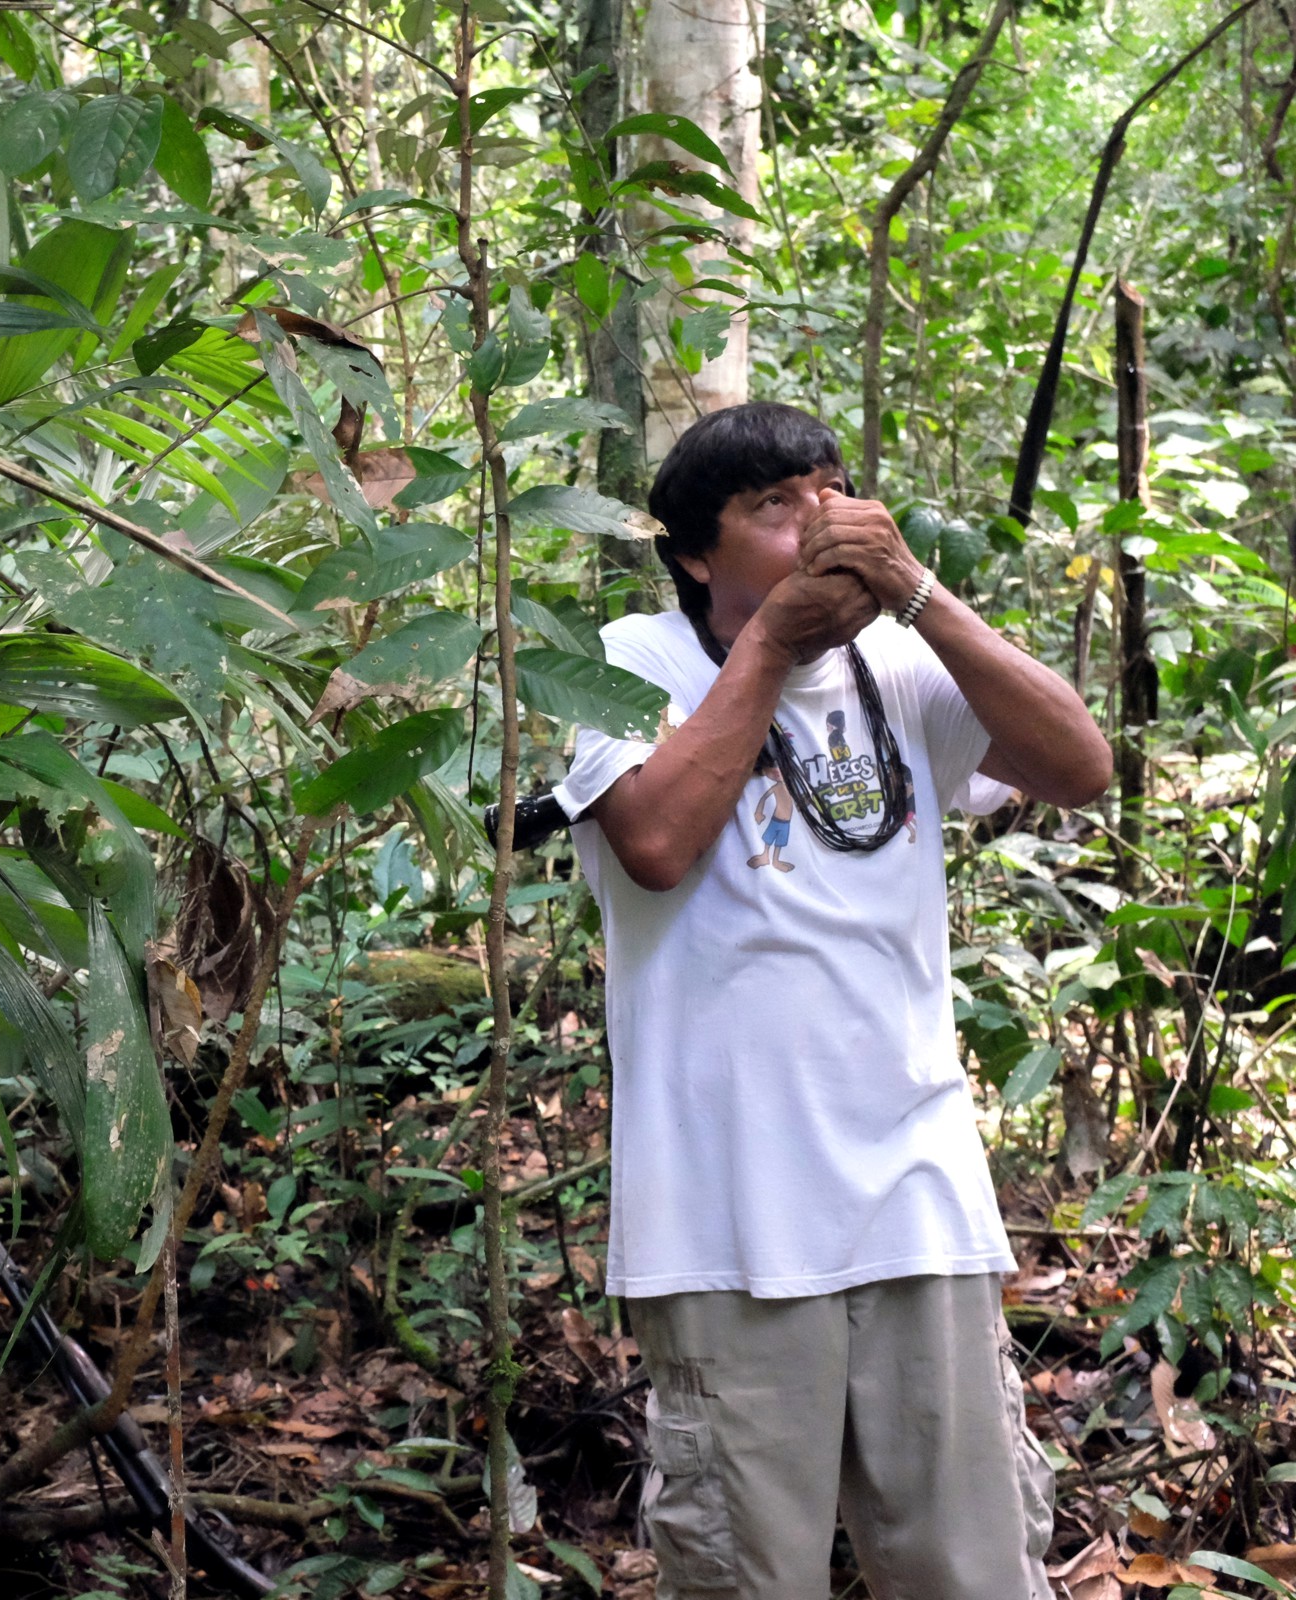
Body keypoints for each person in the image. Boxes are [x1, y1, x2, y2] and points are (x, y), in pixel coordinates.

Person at [550, 403, 1112, 1600]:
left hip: (920, 1200)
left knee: (972, 1575)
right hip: (724, 1223)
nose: (823, 521)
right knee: (754, 1579)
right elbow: (653, 842)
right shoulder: (612, 662)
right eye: (775, 505)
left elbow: (1079, 767)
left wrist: (920, 595)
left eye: (832, 488)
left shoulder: (901, 662)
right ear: (696, 552)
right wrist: (774, 646)